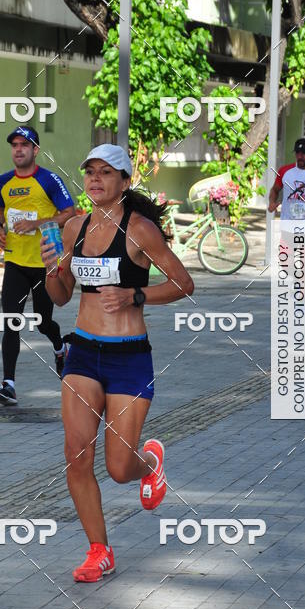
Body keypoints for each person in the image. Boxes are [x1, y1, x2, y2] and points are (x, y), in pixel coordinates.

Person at [41, 144, 194, 583]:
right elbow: (61, 296)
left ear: (124, 181)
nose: (95, 179)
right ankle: (99, 550)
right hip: (83, 353)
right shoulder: (73, 229)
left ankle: (149, 463)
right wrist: (52, 271)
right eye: (90, 171)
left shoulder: (140, 229)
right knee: (76, 455)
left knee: (118, 467)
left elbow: (184, 284)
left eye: (106, 172)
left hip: (129, 357)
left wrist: (135, 295)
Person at [0, 125, 76, 405]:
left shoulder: (49, 180)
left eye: (24, 145)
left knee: (42, 321)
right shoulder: (4, 180)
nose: (18, 149)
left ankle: (60, 347)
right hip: (14, 261)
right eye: (14, 145)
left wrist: (37, 223)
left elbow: (69, 213)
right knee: (10, 322)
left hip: (44, 263)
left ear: (35, 150)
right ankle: (8, 385)